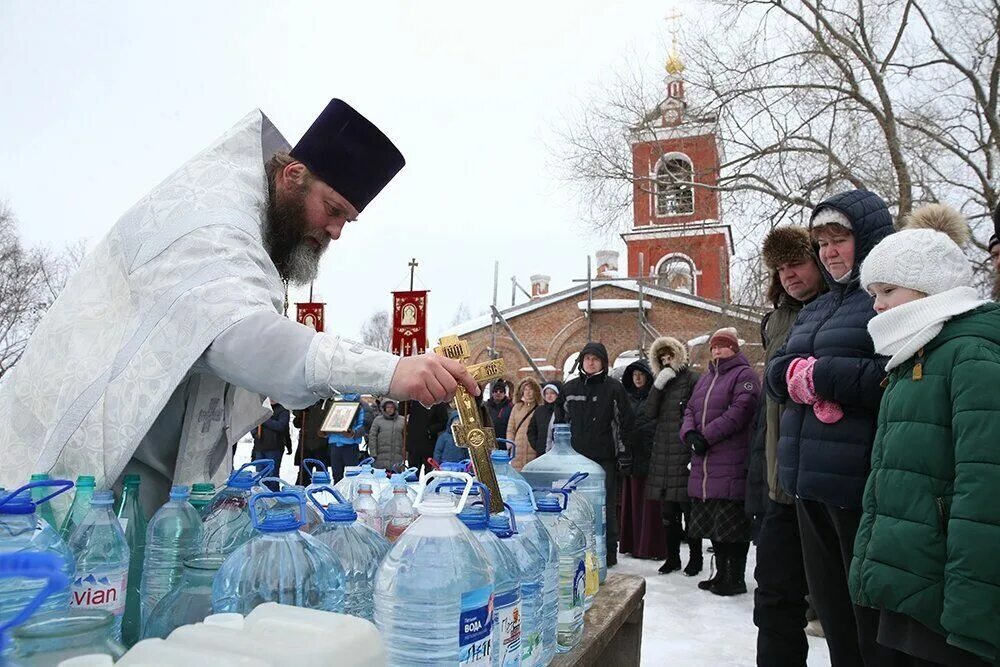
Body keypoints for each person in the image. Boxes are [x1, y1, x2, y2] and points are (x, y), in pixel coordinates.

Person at [0, 99, 479, 508]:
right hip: (70, 478)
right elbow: (240, 338)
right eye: (333, 210)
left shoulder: (253, 226)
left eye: (347, 221)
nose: (335, 231)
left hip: (147, 483)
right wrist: (392, 372)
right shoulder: (209, 224)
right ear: (293, 175)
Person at [847, 204, 1000, 666]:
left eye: (888, 290)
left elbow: (985, 492)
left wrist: (971, 615)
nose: (877, 305)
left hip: (947, 606)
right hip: (911, 584)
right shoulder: (913, 358)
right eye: (873, 292)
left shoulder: (969, 356)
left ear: (931, 287)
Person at [766, 189, 895, 666]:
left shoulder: (887, 299)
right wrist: (795, 379)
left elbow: (897, 377)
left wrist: (821, 377)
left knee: (870, 626)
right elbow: (775, 372)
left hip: (860, 487)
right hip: (808, 483)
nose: (828, 253)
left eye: (838, 240)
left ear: (869, 238)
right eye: (821, 243)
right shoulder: (818, 307)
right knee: (834, 619)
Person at [750, 225, 826, 666]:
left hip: (825, 482)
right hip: (780, 484)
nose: (789, 275)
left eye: (796, 263)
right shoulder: (775, 320)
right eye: (780, 268)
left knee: (837, 604)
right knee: (774, 598)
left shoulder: (845, 309)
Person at [680, 327, 759, 596]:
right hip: (706, 464)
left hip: (731, 461)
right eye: (713, 347)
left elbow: (742, 410)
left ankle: (735, 577)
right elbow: (690, 408)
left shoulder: (744, 375)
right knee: (715, 524)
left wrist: (706, 436)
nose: (716, 351)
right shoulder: (706, 378)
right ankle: (720, 573)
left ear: (734, 348)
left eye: (722, 346)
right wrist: (689, 433)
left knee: (732, 525)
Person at [562, 341, 634, 567]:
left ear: (603, 362)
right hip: (574, 459)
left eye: (595, 358)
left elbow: (624, 423)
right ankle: (574, 548)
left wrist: (624, 453)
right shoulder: (570, 388)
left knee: (605, 506)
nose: (590, 362)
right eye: (587, 358)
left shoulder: (614, 388)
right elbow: (560, 425)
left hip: (604, 458)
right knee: (573, 505)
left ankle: (608, 551)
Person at [644, 336, 700, 576]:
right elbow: (649, 412)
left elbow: (697, 410)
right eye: (662, 358)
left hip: (684, 449)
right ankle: (673, 557)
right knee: (668, 512)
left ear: (678, 355)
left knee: (689, 509)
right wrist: (657, 386)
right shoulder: (661, 382)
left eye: (670, 357)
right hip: (662, 454)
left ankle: (695, 559)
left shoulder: (692, 378)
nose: (667, 362)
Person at [618, 359, 666, 560]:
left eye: (641, 374)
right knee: (632, 502)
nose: (637, 378)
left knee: (650, 505)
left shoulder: (655, 397)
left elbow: (657, 422)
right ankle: (632, 544)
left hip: (650, 456)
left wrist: (641, 433)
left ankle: (650, 547)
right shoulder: (626, 398)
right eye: (634, 374)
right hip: (631, 455)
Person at [250, 401, 292, 490]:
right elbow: (253, 424)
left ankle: (273, 496)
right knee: (259, 475)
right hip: (259, 446)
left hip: (274, 448)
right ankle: (261, 497)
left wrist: (264, 420)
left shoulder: (282, 410)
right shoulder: (262, 409)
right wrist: (254, 433)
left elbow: (281, 426)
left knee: (272, 475)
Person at [327, 393, 367, 482]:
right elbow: (330, 421)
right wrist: (326, 431)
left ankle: (352, 493)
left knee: (352, 475)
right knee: (336, 474)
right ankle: (337, 493)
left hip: (350, 445)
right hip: (335, 443)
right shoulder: (336, 406)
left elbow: (363, 425)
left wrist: (353, 433)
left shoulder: (359, 407)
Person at [292, 399, 332, 484]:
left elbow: (332, 422)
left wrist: (326, 432)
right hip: (305, 443)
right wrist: (299, 414)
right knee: (303, 473)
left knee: (321, 472)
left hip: (321, 444)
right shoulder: (305, 403)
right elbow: (297, 423)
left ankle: (322, 492)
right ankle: (301, 492)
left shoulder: (327, 404)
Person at [507, 377, 542, 470]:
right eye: (525, 389)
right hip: (517, 448)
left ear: (535, 391)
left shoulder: (540, 408)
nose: (528, 392)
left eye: (530, 389)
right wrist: (510, 444)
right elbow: (511, 428)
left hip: (533, 448)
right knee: (517, 475)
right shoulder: (517, 407)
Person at [403, 401, 449, 471]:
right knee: (412, 472)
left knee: (429, 472)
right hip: (414, 442)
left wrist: (430, 431)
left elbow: (444, 422)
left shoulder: (438, 402)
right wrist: (403, 401)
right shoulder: (413, 400)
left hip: (429, 443)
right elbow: (402, 411)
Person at [367, 399, 406, 470]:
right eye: (388, 407)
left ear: (395, 408)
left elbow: (406, 437)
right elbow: (372, 436)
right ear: (384, 408)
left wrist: (405, 453)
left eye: (392, 407)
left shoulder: (402, 420)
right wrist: (373, 453)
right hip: (381, 457)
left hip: (397, 456)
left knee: (396, 478)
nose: (389, 409)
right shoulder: (378, 420)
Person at [527, 382, 565, 454]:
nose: (549, 396)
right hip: (542, 452)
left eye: (552, 393)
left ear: (557, 394)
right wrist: (537, 446)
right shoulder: (539, 410)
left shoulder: (562, 410)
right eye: (547, 393)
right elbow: (531, 430)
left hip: (558, 452)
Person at [485, 380, 514, 451]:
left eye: (501, 391)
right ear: (492, 393)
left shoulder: (510, 406)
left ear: (504, 393)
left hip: (505, 442)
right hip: (490, 442)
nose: (498, 393)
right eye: (495, 391)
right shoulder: (486, 406)